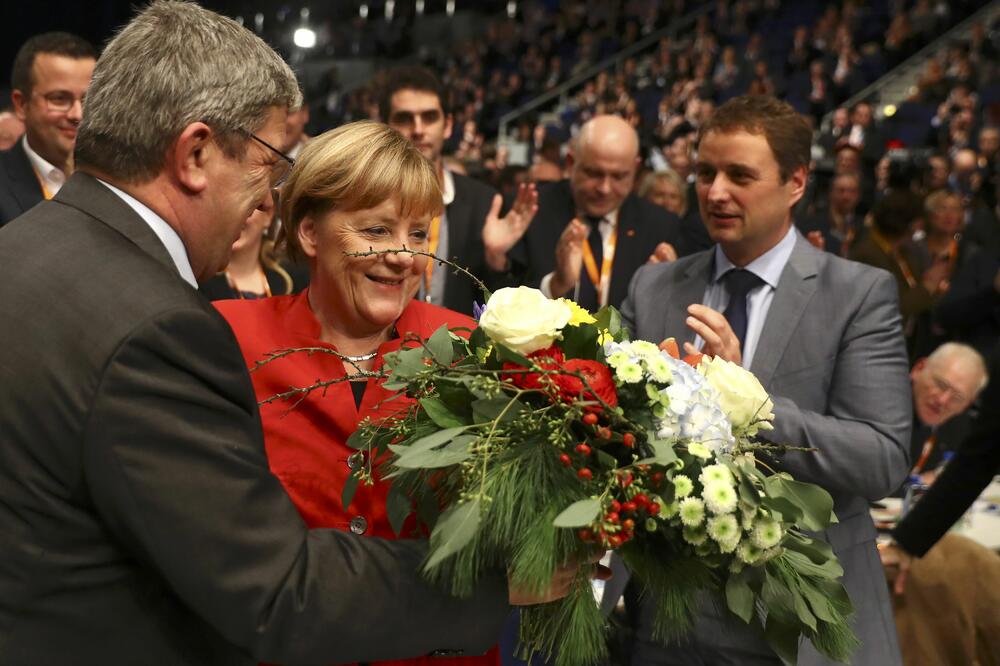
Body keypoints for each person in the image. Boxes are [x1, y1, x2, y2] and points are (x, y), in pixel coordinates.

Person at [0, 3, 575, 664]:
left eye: (418, 233)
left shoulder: (23, 250)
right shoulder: (170, 330)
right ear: (195, 153)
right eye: (269, 164)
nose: (266, 196)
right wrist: (493, 588)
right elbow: (277, 589)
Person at [620, 95, 911, 665]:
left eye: (740, 175)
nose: (715, 192)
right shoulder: (654, 288)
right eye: (705, 173)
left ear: (796, 182)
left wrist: (747, 402)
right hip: (667, 626)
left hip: (798, 626)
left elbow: (881, 459)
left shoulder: (857, 295)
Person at [216, 120, 501, 666]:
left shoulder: (471, 350)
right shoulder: (228, 339)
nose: (403, 256)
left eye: (418, 235)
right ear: (309, 233)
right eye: (375, 231)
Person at [379, 65, 536, 316]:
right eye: (405, 118)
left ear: (449, 125)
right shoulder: (366, 201)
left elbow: (501, 313)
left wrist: (496, 260)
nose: (418, 129)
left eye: (429, 117)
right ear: (384, 126)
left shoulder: (485, 203)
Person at [505, 114, 683, 312]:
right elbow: (499, 303)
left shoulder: (661, 227)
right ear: (571, 163)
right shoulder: (530, 212)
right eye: (594, 173)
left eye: (619, 176)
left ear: (636, 169)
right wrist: (554, 286)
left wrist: (670, 292)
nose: (604, 188)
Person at [0, 31, 95, 226]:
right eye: (59, 99)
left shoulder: (117, 178)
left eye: (88, 99)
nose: (77, 114)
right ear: (21, 104)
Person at [905, 342, 988, 481]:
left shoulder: (961, 428)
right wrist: (920, 484)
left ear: (967, 404)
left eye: (957, 397)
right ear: (918, 369)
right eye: (940, 384)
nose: (942, 401)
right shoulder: (879, 408)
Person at [199, 204, 299, 300]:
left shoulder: (296, 278)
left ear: (268, 214)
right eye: (230, 205)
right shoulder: (198, 280)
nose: (237, 217)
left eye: (249, 206)